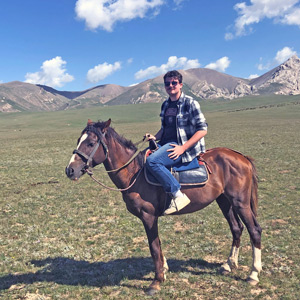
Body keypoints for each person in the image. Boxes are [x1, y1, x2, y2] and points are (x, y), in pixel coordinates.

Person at [145, 70, 208, 215]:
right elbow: (165, 128)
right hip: (167, 144)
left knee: (153, 162)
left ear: (180, 84)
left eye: (174, 83)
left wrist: (183, 148)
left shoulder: (190, 103)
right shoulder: (165, 105)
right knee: (143, 157)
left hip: (183, 147)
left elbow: (203, 129)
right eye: (167, 84)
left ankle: (177, 195)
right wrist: (154, 137)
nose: (170, 86)